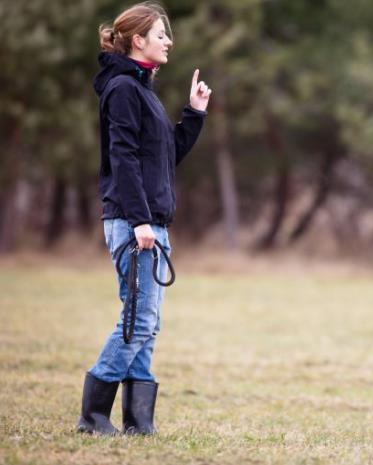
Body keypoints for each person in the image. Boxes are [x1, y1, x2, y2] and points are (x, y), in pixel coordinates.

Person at [77, 2, 211, 435]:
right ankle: (92, 415)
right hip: (135, 224)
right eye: (160, 35)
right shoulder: (122, 89)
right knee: (139, 320)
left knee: (148, 325)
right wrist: (139, 222)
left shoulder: (143, 90)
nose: (169, 41)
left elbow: (165, 157)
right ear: (139, 41)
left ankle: (138, 420)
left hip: (150, 224)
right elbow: (124, 158)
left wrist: (193, 113)